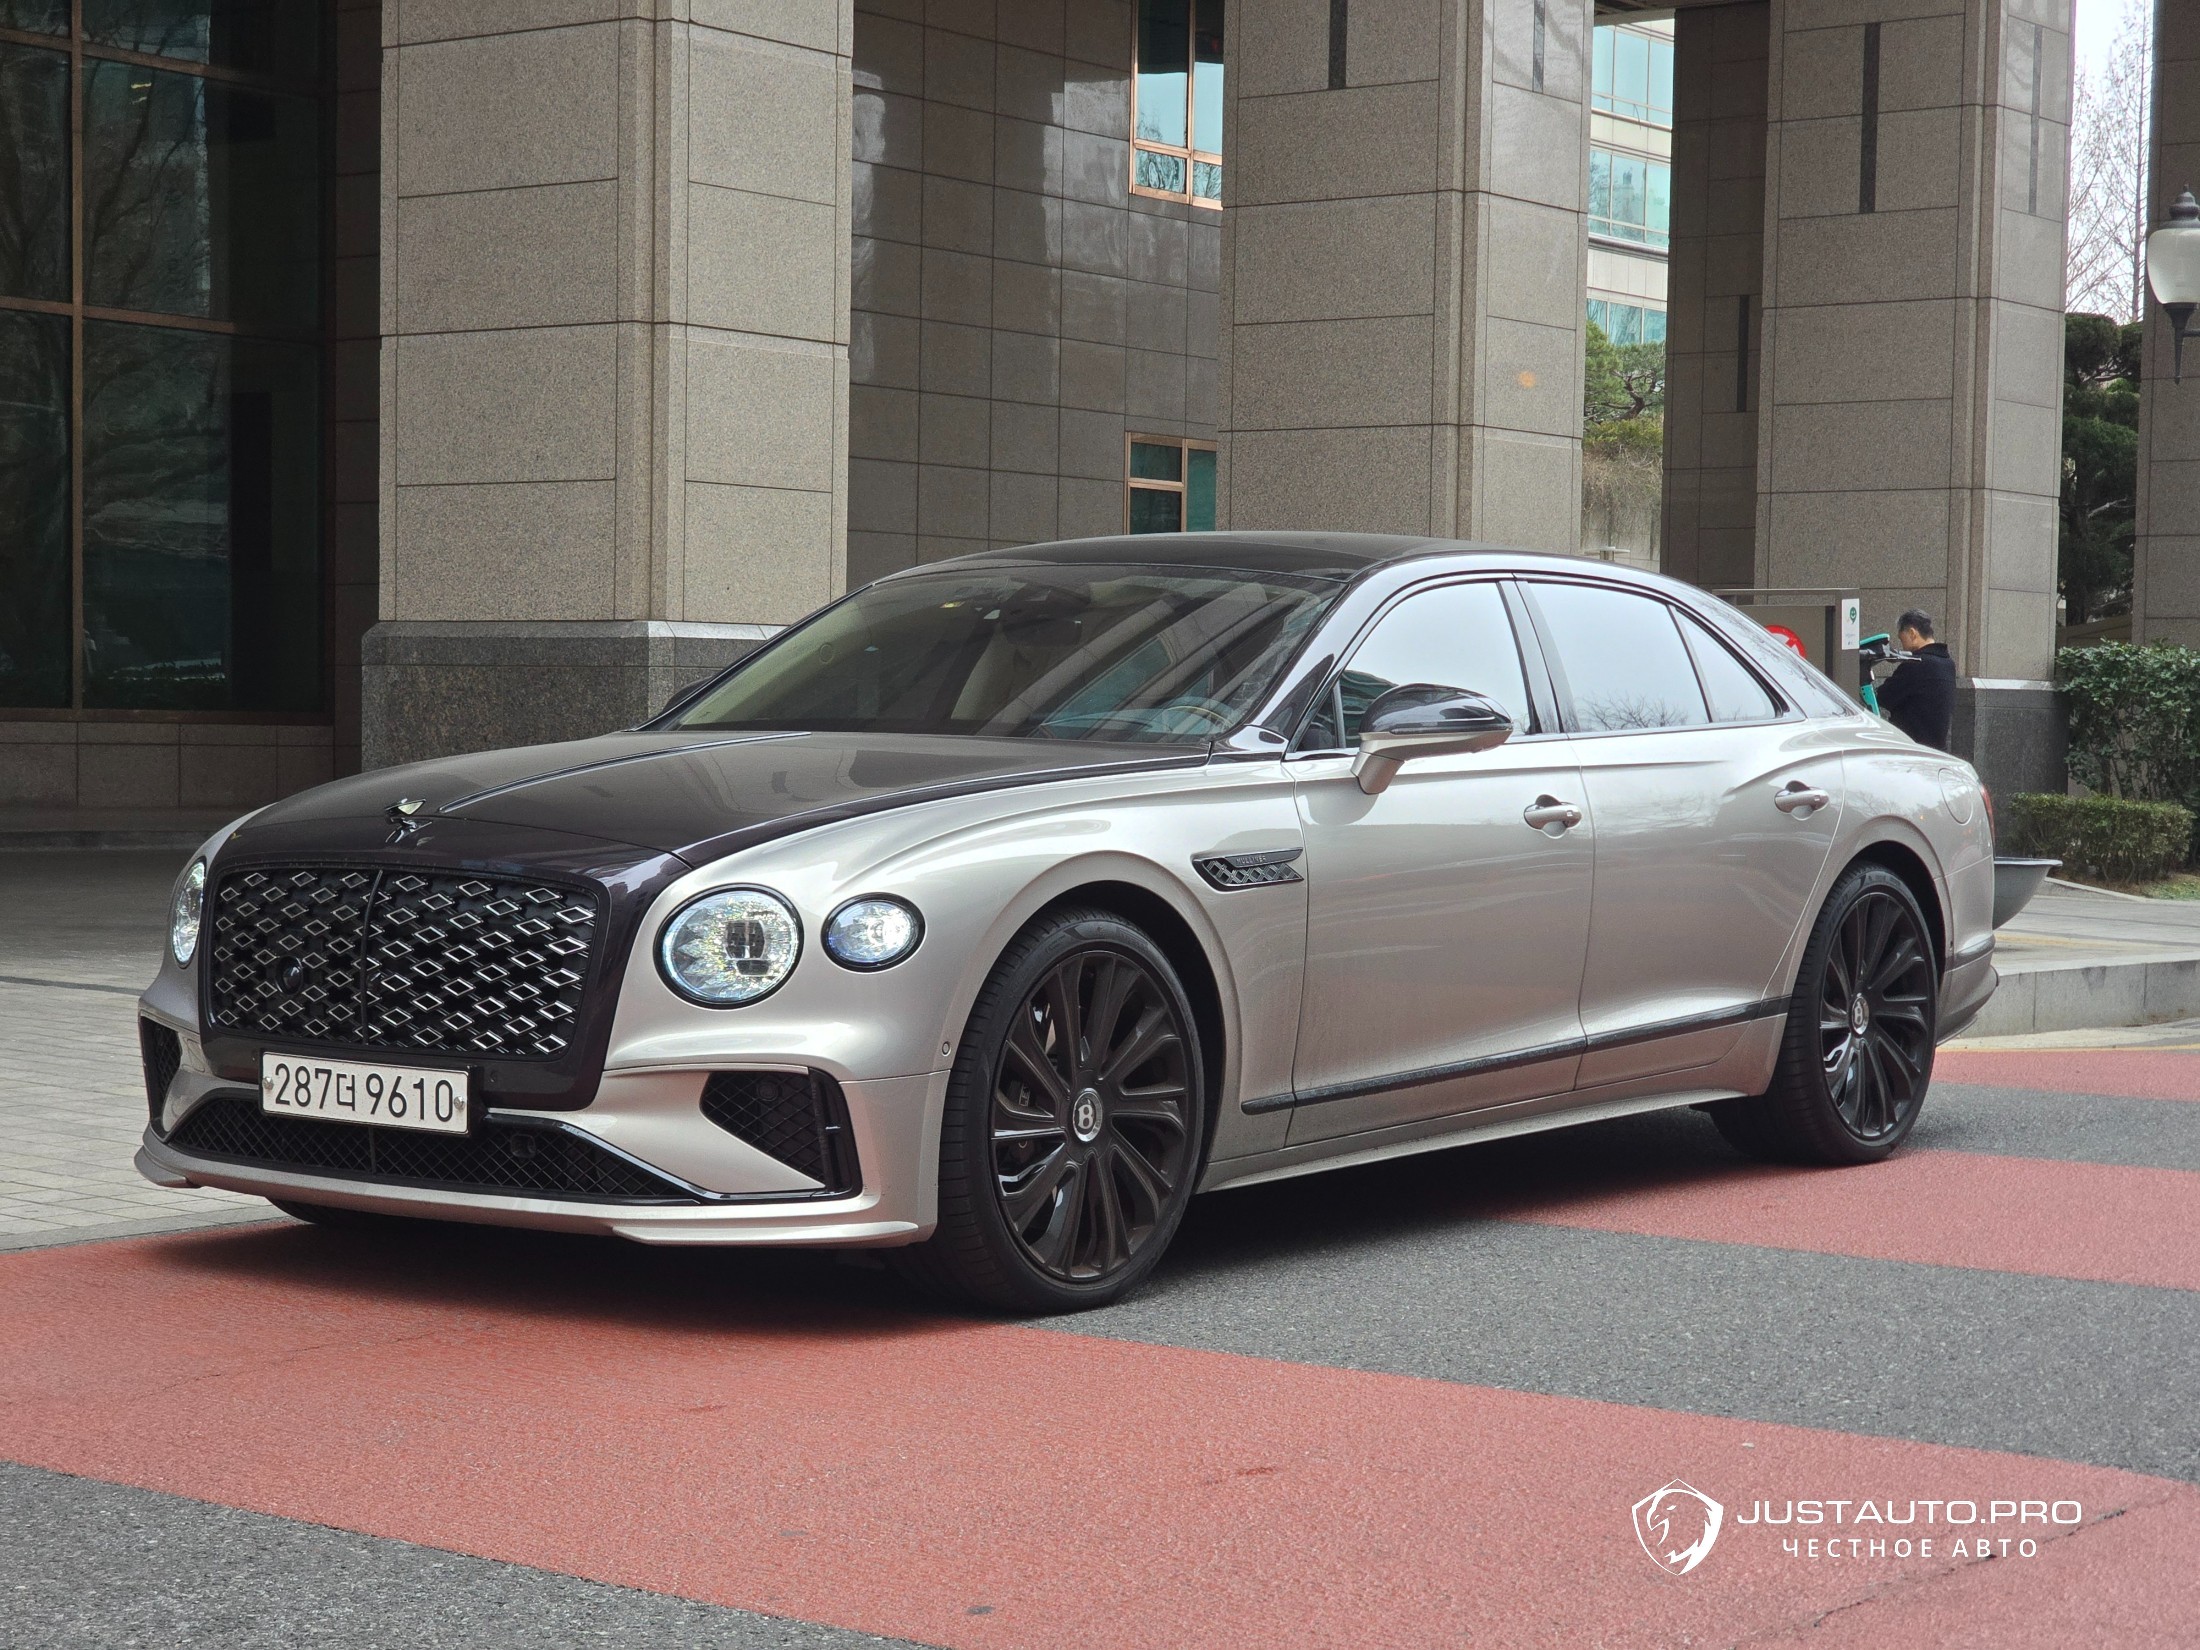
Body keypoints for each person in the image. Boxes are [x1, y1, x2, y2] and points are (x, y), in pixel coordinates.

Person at [1875, 608, 1956, 750]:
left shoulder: (1915, 665)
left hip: (1911, 748)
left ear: (1912, 633)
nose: (1902, 645)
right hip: (1938, 748)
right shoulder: (1948, 664)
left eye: (1902, 638)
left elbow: (1882, 697)